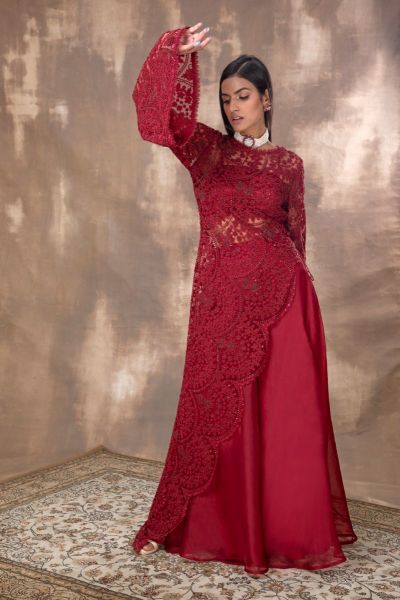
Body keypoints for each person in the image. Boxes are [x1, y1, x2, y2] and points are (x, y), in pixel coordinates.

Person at [130, 21, 358, 576]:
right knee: (218, 414)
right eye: (227, 98)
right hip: (221, 301)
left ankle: (287, 529)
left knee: (285, 420)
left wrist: (297, 305)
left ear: (267, 99)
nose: (234, 107)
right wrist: (175, 53)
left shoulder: (290, 165)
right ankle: (212, 526)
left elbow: (296, 236)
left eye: (244, 96)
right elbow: (156, 122)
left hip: (286, 301)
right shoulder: (207, 152)